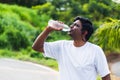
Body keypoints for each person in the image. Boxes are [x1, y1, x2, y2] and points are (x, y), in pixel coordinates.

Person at [32, 16, 111, 80]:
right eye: (72, 24)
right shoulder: (62, 46)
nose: (71, 26)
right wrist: (48, 29)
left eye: (76, 25)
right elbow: (36, 47)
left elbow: (105, 76)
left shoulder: (95, 50)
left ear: (84, 32)